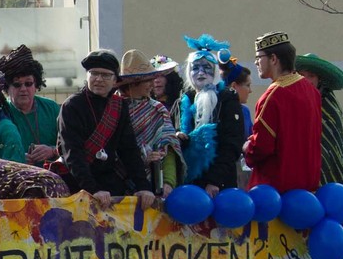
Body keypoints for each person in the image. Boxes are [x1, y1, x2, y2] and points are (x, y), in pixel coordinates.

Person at [58, 50, 154, 209]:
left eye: (106, 75)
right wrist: (92, 189)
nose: (98, 79)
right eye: (94, 73)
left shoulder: (119, 105)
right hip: (77, 183)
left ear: (115, 80)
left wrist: (143, 186)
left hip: (108, 181)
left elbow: (129, 149)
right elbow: (72, 152)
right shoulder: (72, 106)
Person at [242, 31, 322, 191]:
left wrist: (246, 147)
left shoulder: (273, 96)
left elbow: (262, 147)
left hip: (276, 192)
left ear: (273, 59)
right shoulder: (311, 90)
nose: (256, 63)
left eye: (259, 58)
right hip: (307, 190)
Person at [178, 37, 248, 193]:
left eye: (206, 67)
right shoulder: (185, 100)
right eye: (195, 67)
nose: (201, 72)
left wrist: (215, 180)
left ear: (215, 71)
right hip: (188, 182)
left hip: (217, 185)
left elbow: (232, 143)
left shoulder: (226, 98)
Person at [117, 50, 179, 193]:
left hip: (154, 185)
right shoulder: (113, 109)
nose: (153, 83)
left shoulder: (158, 109)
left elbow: (168, 148)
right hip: (116, 187)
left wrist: (169, 182)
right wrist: (140, 161)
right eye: (147, 80)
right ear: (132, 83)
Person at [0, 45, 61, 168]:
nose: (23, 89)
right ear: (7, 88)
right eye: (17, 85)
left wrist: (52, 151)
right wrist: (15, 158)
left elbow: (71, 146)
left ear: (36, 84)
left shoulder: (52, 109)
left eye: (28, 83)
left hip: (53, 176)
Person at [296, 51, 343, 187]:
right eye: (302, 75)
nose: (306, 80)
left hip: (331, 170)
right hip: (301, 170)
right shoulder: (291, 101)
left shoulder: (329, 104)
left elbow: (333, 141)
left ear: (318, 79)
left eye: (311, 76)